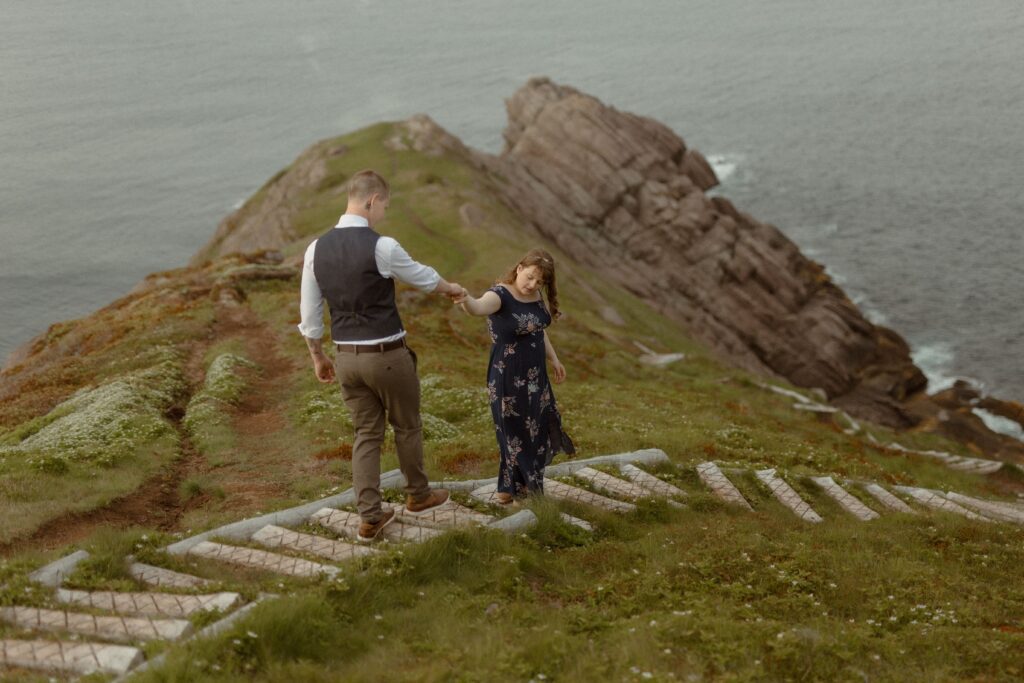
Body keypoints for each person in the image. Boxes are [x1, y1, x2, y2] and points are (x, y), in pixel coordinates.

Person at [298, 169, 463, 541]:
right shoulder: (381, 246)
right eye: (384, 206)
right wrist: (452, 287)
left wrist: (317, 356)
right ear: (372, 201)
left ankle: (370, 516)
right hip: (387, 355)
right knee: (407, 425)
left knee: (365, 435)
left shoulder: (314, 249)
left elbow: (309, 316)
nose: (384, 213)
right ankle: (418, 497)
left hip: (346, 359)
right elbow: (422, 277)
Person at [454, 249, 575, 504]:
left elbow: (538, 329)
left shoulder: (536, 296)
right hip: (507, 376)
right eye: (530, 277)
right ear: (519, 268)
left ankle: (508, 489)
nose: (533, 285)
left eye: (539, 282)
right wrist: (465, 298)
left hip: (536, 377)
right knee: (513, 433)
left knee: (537, 429)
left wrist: (553, 358)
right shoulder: (499, 295)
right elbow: (477, 308)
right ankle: (530, 490)